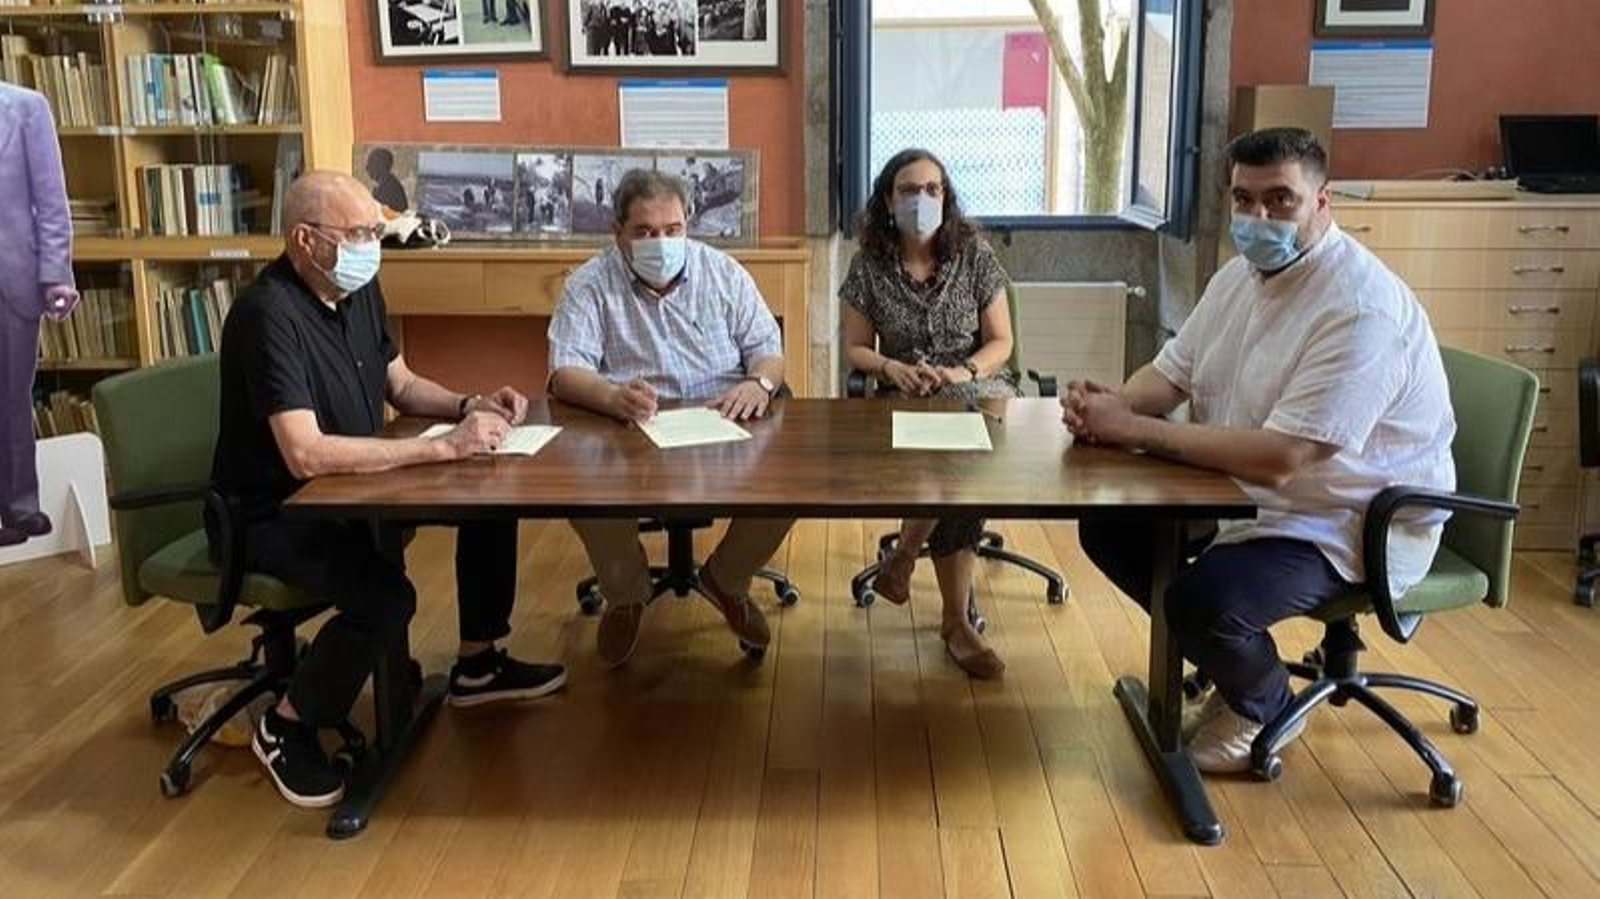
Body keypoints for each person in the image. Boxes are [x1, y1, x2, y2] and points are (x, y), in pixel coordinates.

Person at [1065, 128, 1456, 773]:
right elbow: (1170, 375)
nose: (1259, 217)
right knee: (1110, 527)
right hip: (1250, 498)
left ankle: (1264, 702)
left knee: (1203, 601)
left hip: (1351, 520)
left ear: (1322, 201)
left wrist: (1134, 430)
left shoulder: (1360, 309)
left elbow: (1284, 458)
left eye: (1281, 199)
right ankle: (1233, 664)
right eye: (1244, 199)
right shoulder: (1239, 277)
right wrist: (1110, 407)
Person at [211, 171, 566, 809]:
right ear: (304, 240)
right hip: (276, 512)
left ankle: (478, 662)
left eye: (376, 230)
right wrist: (435, 449)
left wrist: (469, 405)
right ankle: (287, 722)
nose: (372, 245)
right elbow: (304, 453)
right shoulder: (267, 315)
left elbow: (399, 385)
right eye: (358, 233)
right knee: (386, 599)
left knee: (491, 498)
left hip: (356, 488)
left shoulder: (358, 289)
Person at [547, 168, 792, 667]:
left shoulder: (722, 272)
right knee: (581, 490)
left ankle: (727, 579)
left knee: (793, 486)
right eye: (644, 232)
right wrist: (611, 395)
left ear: (689, 225)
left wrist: (760, 382)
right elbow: (564, 372)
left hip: (724, 418)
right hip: (632, 429)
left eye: (672, 230)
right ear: (618, 233)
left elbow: (768, 349)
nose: (661, 242)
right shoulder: (589, 284)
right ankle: (626, 593)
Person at [840, 148, 1015, 680]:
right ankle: (955, 623)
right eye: (909, 190)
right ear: (888, 200)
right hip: (904, 391)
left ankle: (907, 561)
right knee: (950, 464)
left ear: (947, 196)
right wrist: (892, 368)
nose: (922, 199)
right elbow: (855, 349)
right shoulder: (868, 262)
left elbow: (1001, 341)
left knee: (959, 456)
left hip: (972, 386)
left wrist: (961, 371)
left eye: (933, 190)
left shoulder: (975, 254)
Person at [0, 82, 78, 548]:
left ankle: (19, 505)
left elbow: (51, 203)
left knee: (11, 396)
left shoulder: (26, 109)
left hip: (12, 278)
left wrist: (56, 275)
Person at [363, 147, 409, 214]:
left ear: (380, 165)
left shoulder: (387, 188)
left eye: (371, 162)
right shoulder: (388, 184)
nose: (367, 167)